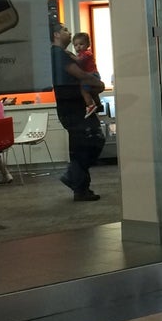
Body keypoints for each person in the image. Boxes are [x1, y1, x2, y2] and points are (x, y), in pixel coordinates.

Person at [51, 21, 104, 201]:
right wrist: (98, 84)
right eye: (65, 30)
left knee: (81, 146)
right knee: (93, 140)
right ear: (56, 35)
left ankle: (80, 187)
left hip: (72, 107)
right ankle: (74, 178)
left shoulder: (62, 54)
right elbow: (80, 74)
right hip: (73, 108)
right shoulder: (59, 54)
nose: (69, 32)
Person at [72, 32, 103, 117]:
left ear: (88, 44)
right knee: (93, 93)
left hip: (91, 75)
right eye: (76, 45)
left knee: (84, 91)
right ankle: (99, 105)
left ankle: (90, 105)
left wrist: (71, 56)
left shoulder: (87, 53)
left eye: (81, 44)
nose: (78, 47)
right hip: (92, 75)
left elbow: (79, 61)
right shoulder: (82, 54)